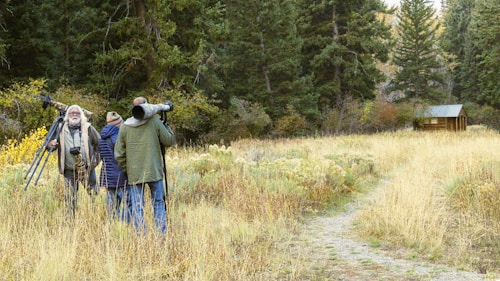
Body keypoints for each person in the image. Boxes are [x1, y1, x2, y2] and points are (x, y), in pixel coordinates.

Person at [115, 97, 175, 234]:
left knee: (137, 206)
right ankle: (161, 234)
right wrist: (165, 123)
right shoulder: (154, 122)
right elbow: (169, 140)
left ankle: (141, 236)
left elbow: (118, 153)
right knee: (158, 202)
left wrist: (128, 168)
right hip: (154, 170)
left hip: (134, 173)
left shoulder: (125, 126)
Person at [48, 104, 101, 217]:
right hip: (69, 170)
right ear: (67, 115)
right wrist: (51, 144)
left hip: (87, 169)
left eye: (77, 113)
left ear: (81, 115)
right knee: (70, 198)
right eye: (72, 113)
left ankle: (98, 217)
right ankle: (70, 222)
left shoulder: (88, 128)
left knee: (94, 195)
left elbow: (99, 145)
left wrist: (94, 162)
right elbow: (48, 145)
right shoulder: (60, 128)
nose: (74, 115)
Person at [99, 111, 129, 221]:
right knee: (127, 205)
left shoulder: (102, 137)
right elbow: (122, 155)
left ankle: (113, 226)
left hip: (107, 175)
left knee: (111, 206)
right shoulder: (118, 136)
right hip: (121, 175)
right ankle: (124, 226)